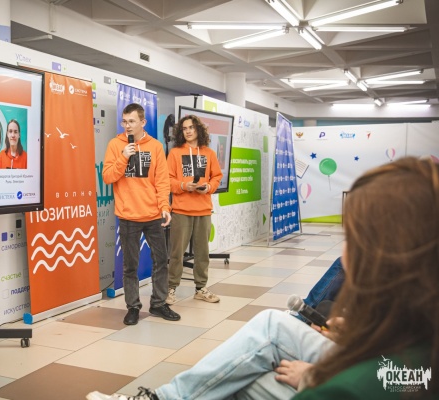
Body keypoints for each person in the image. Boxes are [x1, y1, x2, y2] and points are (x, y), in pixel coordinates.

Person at [88, 156, 439, 400]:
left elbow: (387, 381)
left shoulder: (353, 389)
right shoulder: (417, 337)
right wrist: (360, 338)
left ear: (390, 259)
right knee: (267, 331)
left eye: (354, 240)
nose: (343, 254)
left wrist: (317, 376)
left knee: (240, 377)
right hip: (378, 357)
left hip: (357, 374)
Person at [102, 103, 180, 326]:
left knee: (161, 262)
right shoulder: (115, 145)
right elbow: (108, 177)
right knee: (130, 266)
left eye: (132, 121)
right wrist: (123, 157)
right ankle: (133, 307)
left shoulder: (155, 146)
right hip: (128, 216)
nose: (127, 125)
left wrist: (165, 207)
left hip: (153, 214)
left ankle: (158, 303)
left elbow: (162, 181)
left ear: (143, 122)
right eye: (124, 121)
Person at [166, 115, 223, 304]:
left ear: (198, 129)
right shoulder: (175, 153)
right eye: (184, 128)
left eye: (191, 127)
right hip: (181, 211)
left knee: (202, 254)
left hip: (203, 210)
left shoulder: (209, 153)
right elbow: (168, 179)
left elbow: (217, 177)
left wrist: (209, 187)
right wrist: (183, 186)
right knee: (177, 254)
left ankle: (201, 289)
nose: (188, 131)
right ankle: (171, 289)